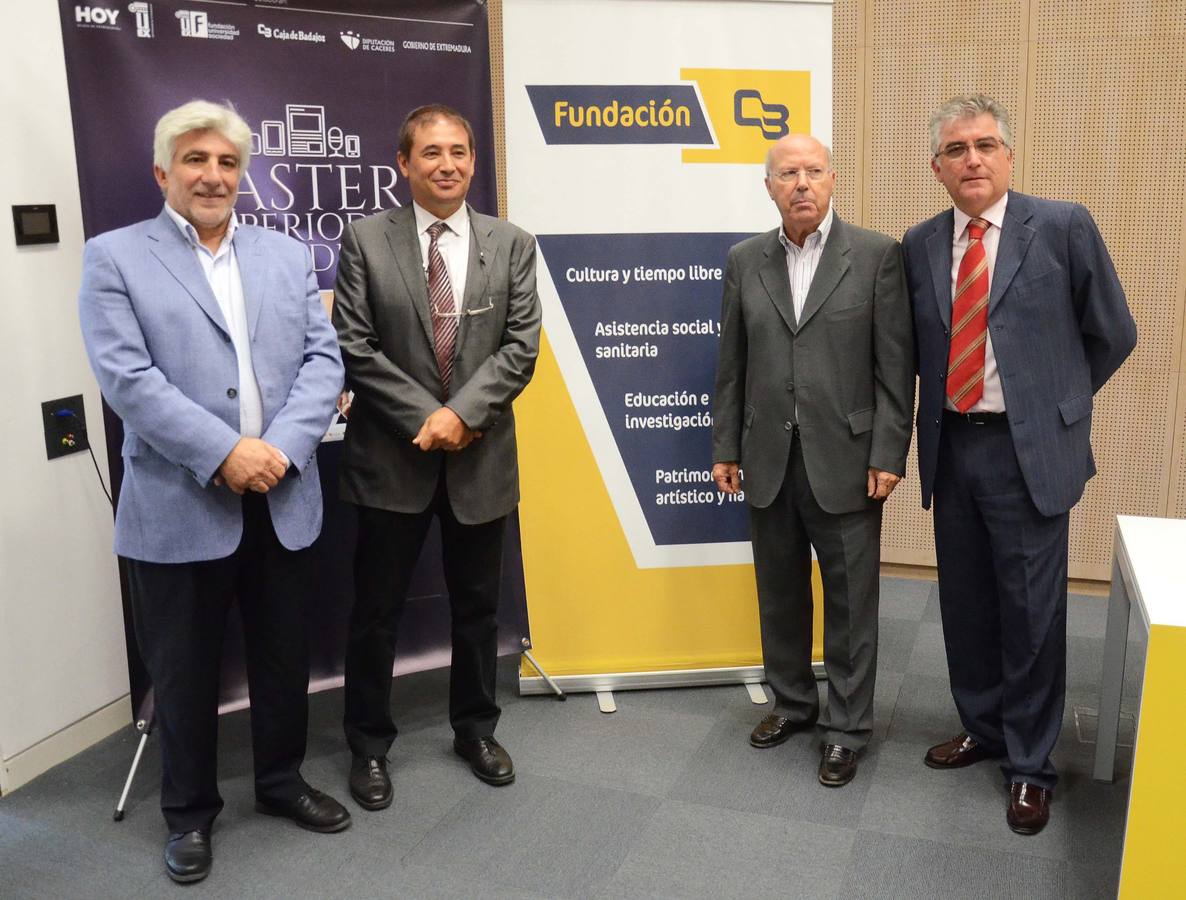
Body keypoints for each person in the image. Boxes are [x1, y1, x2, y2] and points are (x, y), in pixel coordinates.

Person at [77, 100, 349, 884]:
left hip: (283, 498)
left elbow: (322, 363)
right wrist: (226, 453)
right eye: (196, 160)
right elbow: (128, 380)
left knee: (281, 657)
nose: (214, 175)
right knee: (185, 671)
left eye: (228, 163)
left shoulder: (284, 255)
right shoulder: (115, 257)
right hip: (179, 505)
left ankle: (280, 782)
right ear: (163, 172)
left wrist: (282, 451)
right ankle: (189, 813)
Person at [903, 94, 1136, 835]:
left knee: (1033, 615)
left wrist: (1054, 404)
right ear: (935, 168)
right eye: (956, 150)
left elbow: (1113, 332)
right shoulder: (919, 243)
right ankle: (984, 726)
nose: (972, 159)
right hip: (954, 446)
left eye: (985, 145)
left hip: (1028, 452)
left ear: (1009, 155)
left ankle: (1031, 765)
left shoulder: (1062, 226)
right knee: (967, 605)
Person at [332, 104, 541, 808]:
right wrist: (431, 417)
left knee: (478, 608)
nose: (446, 164)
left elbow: (521, 348)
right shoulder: (364, 240)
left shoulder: (511, 243)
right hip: (392, 459)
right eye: (430, 153)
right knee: (376, 613)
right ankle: (367, 745)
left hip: (480, 462)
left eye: (458, 151)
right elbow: (354, 345)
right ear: (404, 162)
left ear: (473, 161)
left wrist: (462, 415)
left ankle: (475, 728)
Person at [712, 134, 914, 787]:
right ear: (769, 187)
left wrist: (889, 449)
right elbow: (731, 367)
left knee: (852, 602)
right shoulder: (744, 260)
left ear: (833, 180)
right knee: (779, 594)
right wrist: (725, 447)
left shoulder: (878, 256)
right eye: (787, 174)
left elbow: (895, 368)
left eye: (813, 172)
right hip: (767, 454)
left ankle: (847, 728)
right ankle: (794, 704)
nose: (801, 183)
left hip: (850, 460)